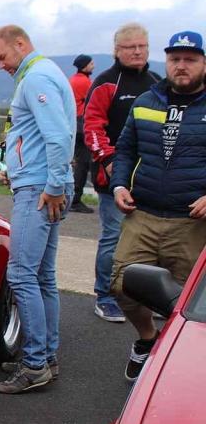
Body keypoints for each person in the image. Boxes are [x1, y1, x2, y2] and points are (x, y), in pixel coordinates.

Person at [109, 30, 206, 381]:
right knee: (122, 285)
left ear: (203, 64)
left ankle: (177, 361)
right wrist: (119, 184)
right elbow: (125, 149)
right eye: (175, 59)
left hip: (192, 225)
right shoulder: (146, 102)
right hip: (143, 215)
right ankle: (148, 340)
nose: (181, 66)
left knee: (187, 303)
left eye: (190, 59)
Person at [0, 25, 75, 394]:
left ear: (20, 44)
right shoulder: (45, 73)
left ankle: (35, 363)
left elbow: (57, 136)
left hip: (40, 191)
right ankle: (45, 357)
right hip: (42, 183)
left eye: (2, 57)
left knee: (21, 274)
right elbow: (43, 138)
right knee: (41, 276)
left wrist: (52, 185)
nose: (1, 65)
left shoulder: (36, 77)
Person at [84, 23, 161, 323]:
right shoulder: (105, 83)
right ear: (117, 51)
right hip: (112, 178)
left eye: (142, 46)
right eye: (130, 47)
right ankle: (105, 296)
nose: (138, 51)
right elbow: (91, 127)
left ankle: (146, 298)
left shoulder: (157, 82)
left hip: (152, 177)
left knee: (150, 240)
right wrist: (109, 161)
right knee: (113, 237)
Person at [69, 54, 95, 214]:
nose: (93, 65)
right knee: (83, 163)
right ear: (84, 65)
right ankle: (75, 199)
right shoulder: (85, 82)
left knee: (77, 162)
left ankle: (72, 196)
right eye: (91, 63)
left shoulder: (72, 79)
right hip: (82, 123)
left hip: (73, 123)